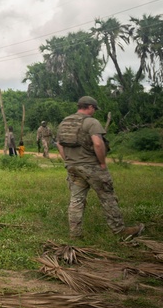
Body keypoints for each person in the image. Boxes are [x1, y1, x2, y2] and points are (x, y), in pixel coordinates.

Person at [57, 96, 144, 240]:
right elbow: (98, 143)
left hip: (73, 167)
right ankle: (119, 230)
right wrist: (102, 162)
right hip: (91, 166)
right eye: (94, 109)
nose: (95, 111)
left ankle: (75, 234)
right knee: (107, 197)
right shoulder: (92, 122)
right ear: (90, 107)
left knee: (76, 200)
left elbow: (59, 144)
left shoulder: (65, 122)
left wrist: (67, 159)